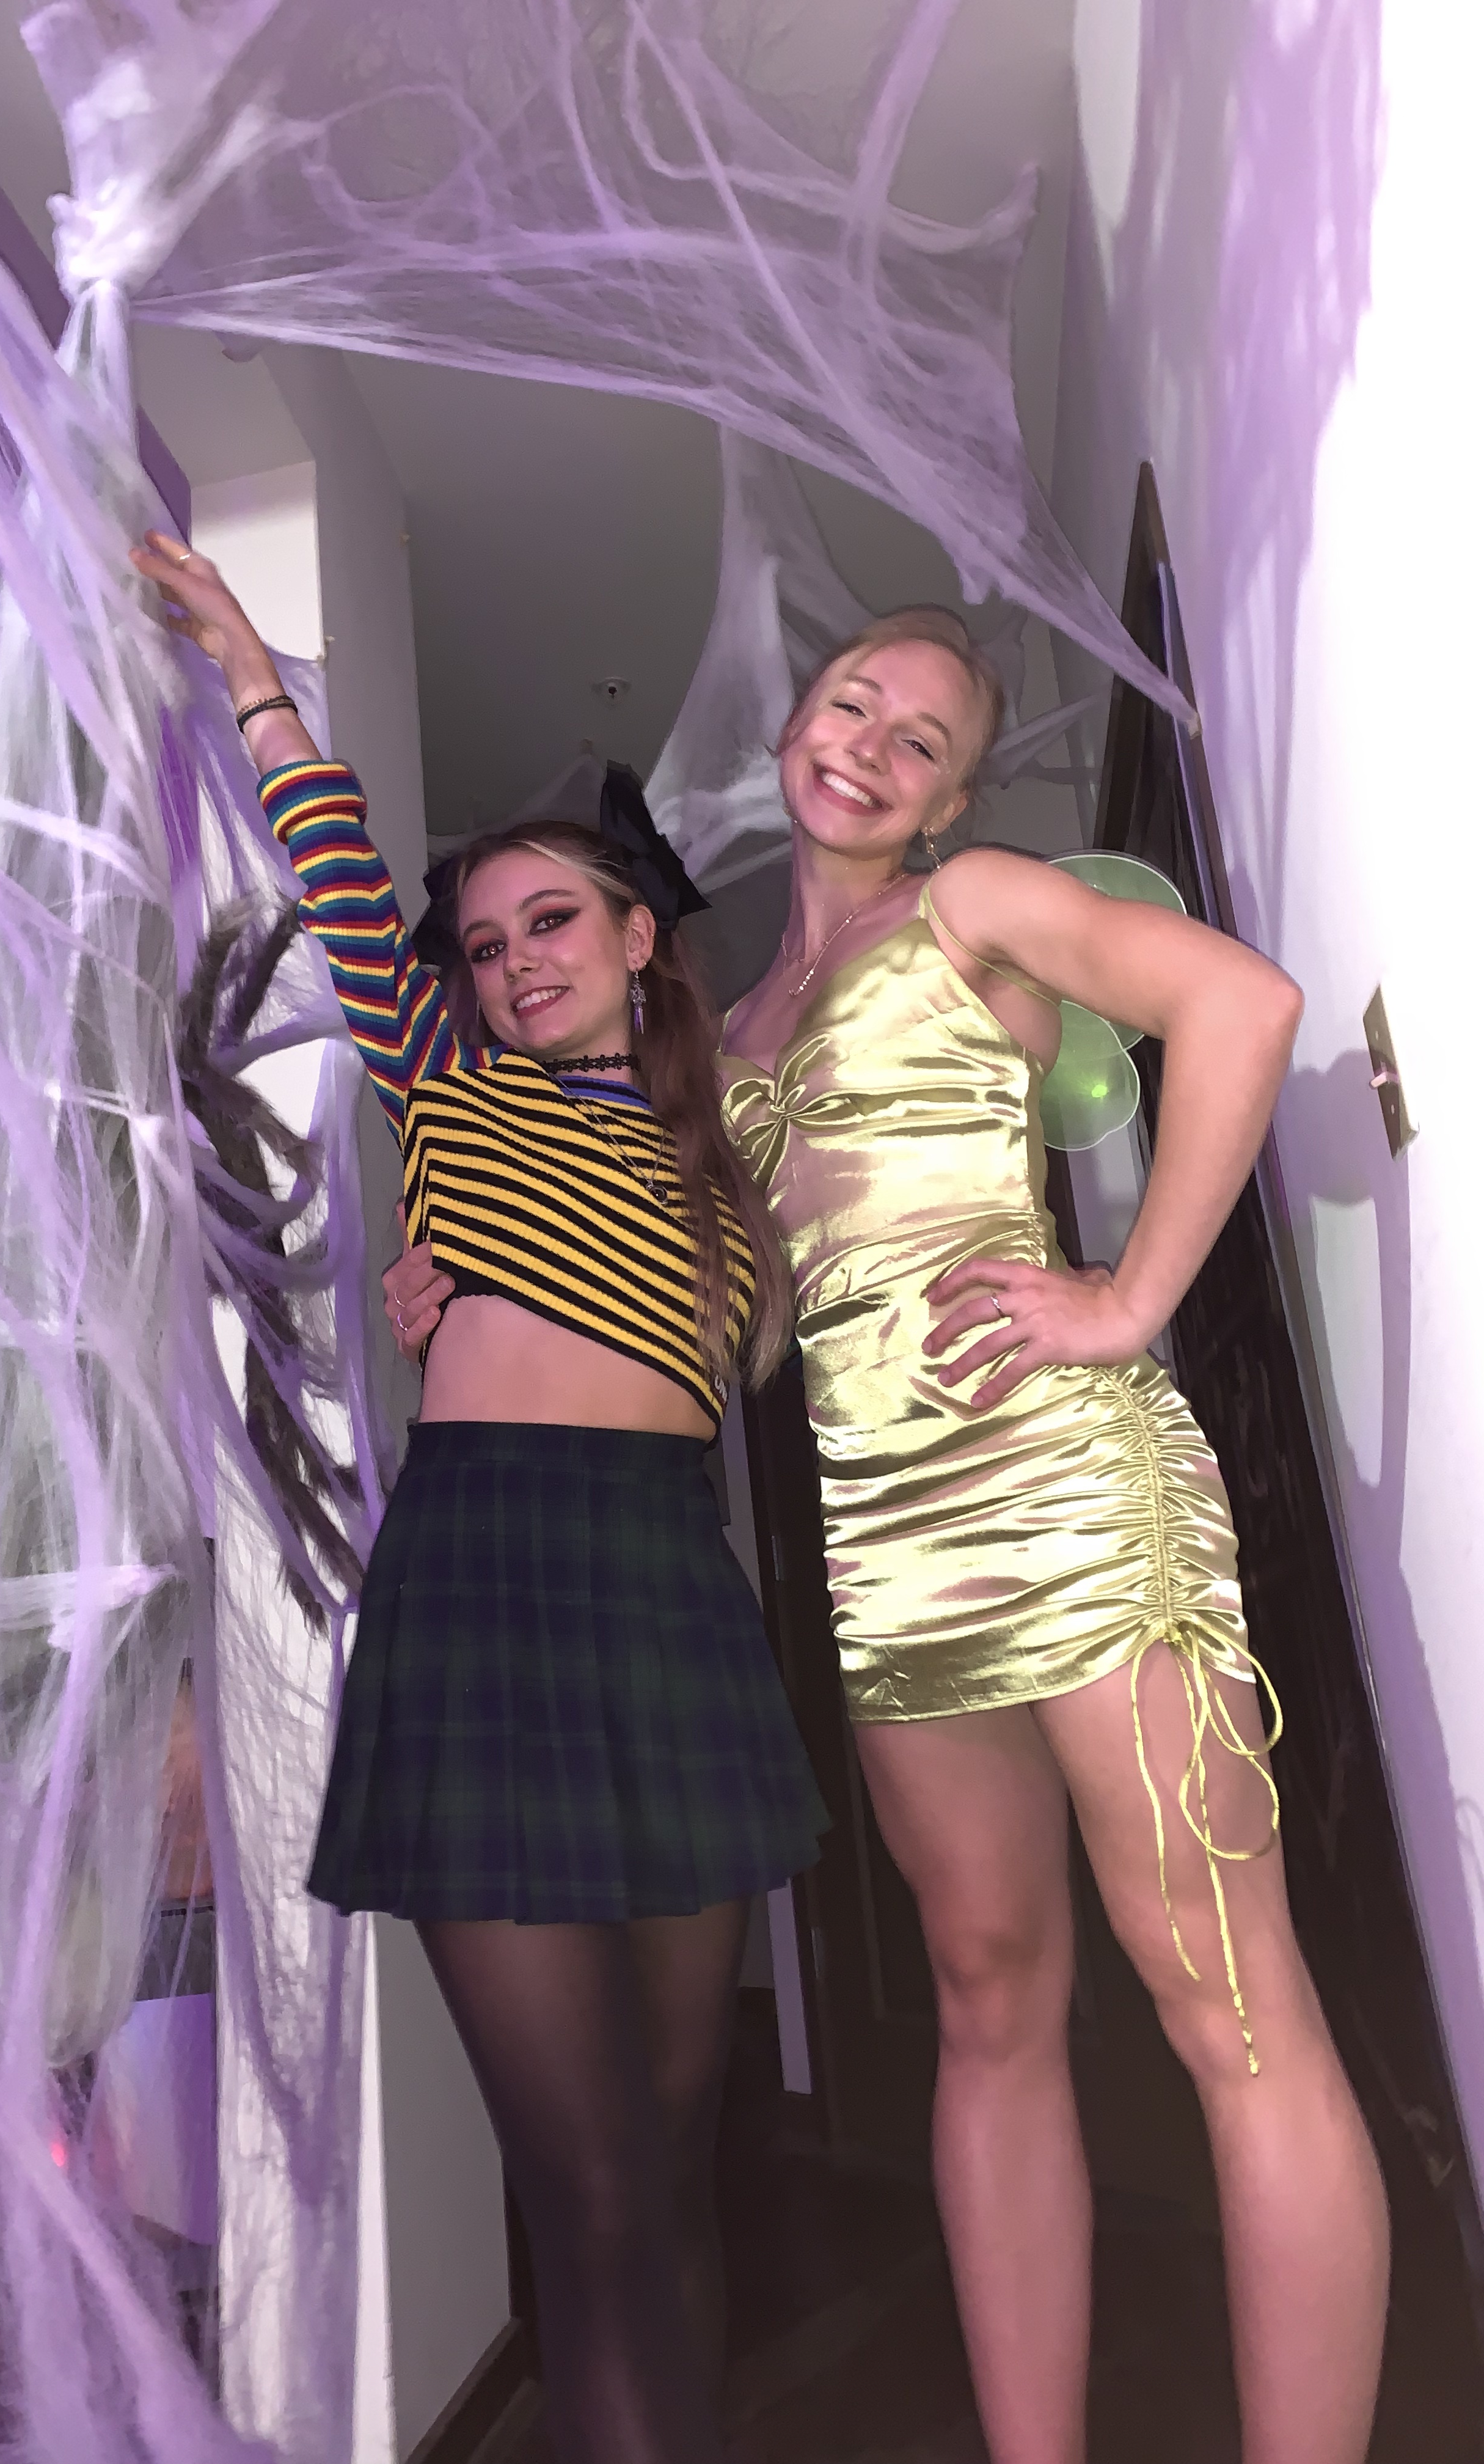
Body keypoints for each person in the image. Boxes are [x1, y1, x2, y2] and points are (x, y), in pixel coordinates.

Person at [386, 607, 1389, 2464]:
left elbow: (1241, 1008)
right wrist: (460, 1272)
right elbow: (699, 1299)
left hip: (1070, 1497)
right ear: (797, 725)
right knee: (988, 2004)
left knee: (1231, 2006)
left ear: (945, 802)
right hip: (885, 1552)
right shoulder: (721, 1036)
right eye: (853, 703)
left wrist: (1125, 1299)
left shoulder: (974, 906)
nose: (871, 744)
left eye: (922, 741)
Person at [132, 530, 827, 2464]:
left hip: (671, 1598)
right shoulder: (448, 1083)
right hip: (489, 1585)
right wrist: (253, 671)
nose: (515, 959)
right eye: (494, 937)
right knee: (590, 2190)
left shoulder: (728, 1156)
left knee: (671, 2170)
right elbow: (346, 884)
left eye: (553, 922)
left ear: (639, 939)